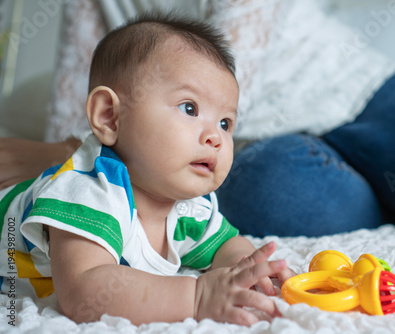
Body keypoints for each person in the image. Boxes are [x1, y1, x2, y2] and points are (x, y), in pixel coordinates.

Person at [2, 0, 395, 239]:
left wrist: (54, 154)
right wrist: (65, 159)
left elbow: (223, 89)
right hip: (247, 149)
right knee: (276, 199)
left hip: (354, 95)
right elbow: (81, 111)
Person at [0, 13, 294, 326]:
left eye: (225, 123)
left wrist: (245, 270)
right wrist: (197, 297)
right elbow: (83, 293)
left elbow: (225, 243)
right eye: (189, 108)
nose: (216, 138)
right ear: (110, 117)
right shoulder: (88, 190)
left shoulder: (190, 205)